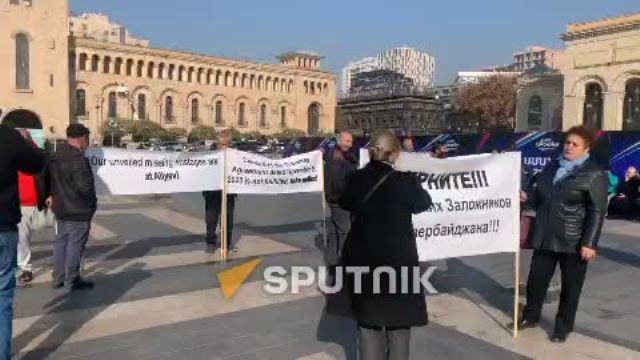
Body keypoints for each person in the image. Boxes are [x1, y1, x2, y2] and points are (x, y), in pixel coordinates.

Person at [339, 130, 432, 360]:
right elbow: (424, 203)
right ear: (394, 154)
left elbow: (343, 201)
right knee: (399, 326)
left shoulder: (354, 179)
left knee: (368, 325)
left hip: (364, 263)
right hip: (399, 264)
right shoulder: (406, 181)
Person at [518, 126, 607, 343]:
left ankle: (562, 328)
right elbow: (539, 198)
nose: (568, 146)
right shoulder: (552, 167)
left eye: (574, 144)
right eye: (567, 142)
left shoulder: (594, 173)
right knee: (536, 282)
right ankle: (530, 317)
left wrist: (590, 243)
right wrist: (526, 198)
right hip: (545, 237)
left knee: (571, 288)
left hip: (574, 242)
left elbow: (597, 210)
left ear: (586, 148)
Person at [0, 124, 44, 359]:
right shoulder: (7, 136)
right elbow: (37, 162)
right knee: (2, 297)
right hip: (3, 225)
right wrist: (24, 141)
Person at [49, 124, 97, 290]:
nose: (87, 142)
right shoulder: (77, 158)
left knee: (61, 243)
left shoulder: (56, 154)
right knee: (75, 245)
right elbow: (84, 186)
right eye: (86, 138)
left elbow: (45, 178)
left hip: (61, 207)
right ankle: (72, 279)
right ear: (82, 138)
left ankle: (58, 278)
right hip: (77, 209)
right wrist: (91, 204)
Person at [16, 129, 49, 284]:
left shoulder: (42, 155)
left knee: (62, 231)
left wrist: (51, 194)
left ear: (29, 139)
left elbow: (52, 175)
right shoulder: (11, 156)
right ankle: (25, 268)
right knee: (22, 239)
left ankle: (66, 264)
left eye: (24, 138)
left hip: (43, 203)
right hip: (20, 205)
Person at [323, 131, 357, 266]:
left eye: (351, 141)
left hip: (339, 199)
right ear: (339, 141)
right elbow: (338, 181)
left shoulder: (346, 154)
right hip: (340, 200)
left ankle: (333, 260)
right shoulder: (335, 156)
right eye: (347, 141)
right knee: (345, 231)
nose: (350, 144)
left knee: (336, 231)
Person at [203, 130, 237, 253]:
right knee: (211, 220)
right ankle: (211, 242)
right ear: (217, 145)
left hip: (228, 194)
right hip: (212, 194)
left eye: (226, 144)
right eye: (221, 144)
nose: (223, 147)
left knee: (228, 221)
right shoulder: (210, 158)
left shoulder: (234, 158)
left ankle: (226, 245)